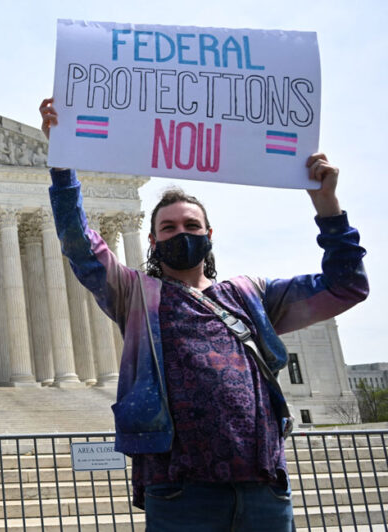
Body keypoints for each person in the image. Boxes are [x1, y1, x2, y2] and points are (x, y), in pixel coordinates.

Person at [39, 97, 368, 531]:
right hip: (181, 492)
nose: (182, 233)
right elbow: (81, 245)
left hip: (262, 487)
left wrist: (327, 205)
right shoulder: (138, 296)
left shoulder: (251, 296)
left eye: (192, 226)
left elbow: (346, 287)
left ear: (209, 235)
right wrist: (62, 165)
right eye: (169, 228)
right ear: (152, 242)